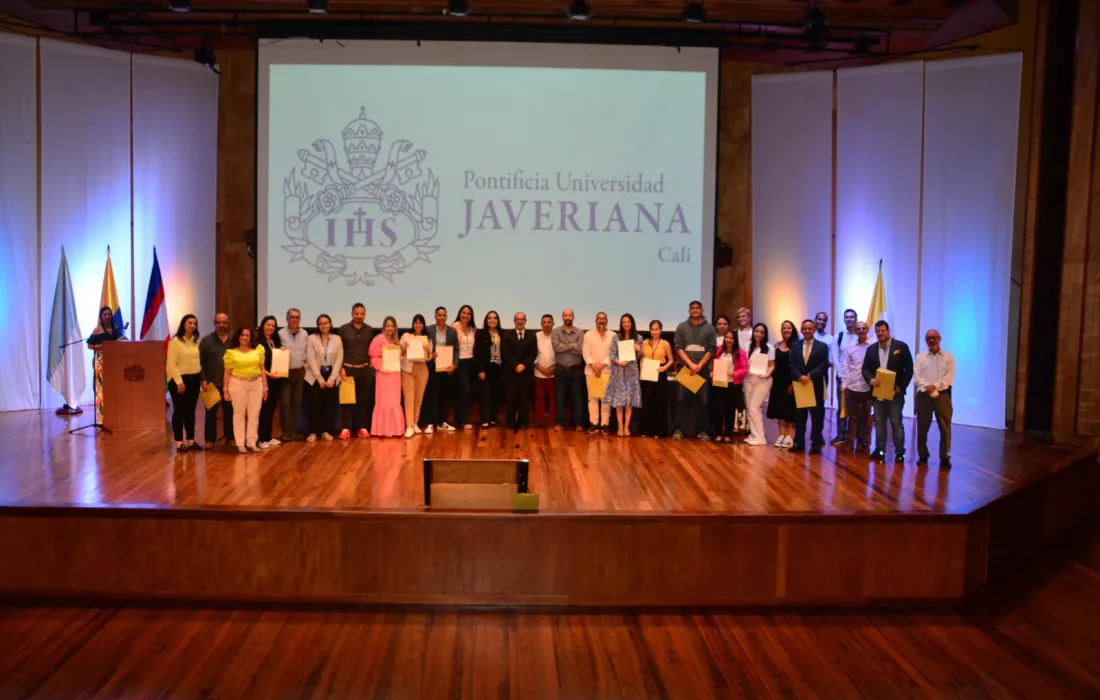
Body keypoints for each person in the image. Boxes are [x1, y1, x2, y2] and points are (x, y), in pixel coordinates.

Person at [862, 320, 914, 463]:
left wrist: (901, 387)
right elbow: (865, 369)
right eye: (877, 331)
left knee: (896, 422)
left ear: (888, 331)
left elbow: (909, 369)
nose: (880, 333)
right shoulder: (871, 349)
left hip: (895, 392)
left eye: (882, 330)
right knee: (879, 422)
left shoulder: (901, 347)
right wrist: (870, 379)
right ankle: (879, 450)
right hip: (878, 391)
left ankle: (899, 453)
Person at [673, 300, 717, 440]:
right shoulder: (681, 327)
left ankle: (703, 430)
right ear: (689, 311)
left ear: (702, 310)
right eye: (692, 308)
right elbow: (678, 347)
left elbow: (711, 349)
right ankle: (678, 429)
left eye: (698, 308)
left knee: (703, 401)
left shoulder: (709, 328)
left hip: (702, 371)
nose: (695, 310)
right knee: (681, 400)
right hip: (685, 370)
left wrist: (699, 365)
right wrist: (691, 364)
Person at [222, 326, 267, 454]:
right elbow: (227, 373)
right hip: (238, 384)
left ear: (251, 337)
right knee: (239, 414)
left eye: (247, 335)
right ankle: (240, 443)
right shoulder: (231, 353)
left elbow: (262, 369)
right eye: (242, 335)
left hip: (256, 384)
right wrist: (225, 390)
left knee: (254, 414)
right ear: (237, 337)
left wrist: (265, 387)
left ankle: (252, 442)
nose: (245, 337)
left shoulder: (258, 349)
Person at [914, 329, 955, 468]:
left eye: (934, 337)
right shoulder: (920, 357)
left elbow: (949, 378)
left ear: (940, 338)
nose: (932, 340)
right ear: (926, 340)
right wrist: (927, 388)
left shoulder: (949, 357)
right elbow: (917, 377)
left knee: (944, 427)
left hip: (942, 396)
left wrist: (935, 387)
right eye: (928, 338)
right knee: (922, 427)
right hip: (923, 396)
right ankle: (923, 455)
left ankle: (944, 457)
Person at [789, 319, 829, 455]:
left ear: (814, 330)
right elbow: (791, 364)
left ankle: (816, 444)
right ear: (801, 330)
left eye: (810, 329)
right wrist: (800, 376)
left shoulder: (822, 346)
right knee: (799, 416)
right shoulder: (795, 346)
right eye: (805, 328)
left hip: (815, 385)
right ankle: (799, 442)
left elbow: (824, 365)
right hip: (800, 385)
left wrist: (810, 375)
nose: (807, 331)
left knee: (817, 417)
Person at [166, 314, 202, 453]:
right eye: (189, 323)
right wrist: (179, 382)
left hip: (194, 380)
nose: (192, 326)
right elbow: (171, 364)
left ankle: (191, 441)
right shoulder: (175, 341)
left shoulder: (194, 341)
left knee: (191, 411)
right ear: (183, 324)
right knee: (179, 411)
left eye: (194, 323)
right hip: (179, 381)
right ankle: (179, 441)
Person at [338, 303, 373, 440]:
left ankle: (362, 427)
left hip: (364, 370)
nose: (359, 316)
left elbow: (372, 350)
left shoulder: (370, 330)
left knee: (363, 401)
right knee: (348, 400)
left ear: (365, 314)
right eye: (356, 313)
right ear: (352, 313)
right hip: (348, 369)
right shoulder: (343, 329)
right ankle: (346, 428)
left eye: (362, 314)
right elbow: (339, 350)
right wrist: (341, 367)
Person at [305, 313, 342, 442]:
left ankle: (326, 431)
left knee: (328, 405)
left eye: (326, 323)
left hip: (331, 375)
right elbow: (310, 358)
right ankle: (313, 432)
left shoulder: (337, 339)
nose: (324, 326)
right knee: (314, 404)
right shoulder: (311, 338)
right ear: (318, 326)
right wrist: (319, 378)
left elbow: (339, 359)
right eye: (321, 324)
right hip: (314, 375)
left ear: (330, 324)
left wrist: (332, 378)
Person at [605, 313, 643, 437]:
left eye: (628, 322)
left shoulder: (639, 338)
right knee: (619, 401)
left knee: (629, 401)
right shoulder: (617, 337)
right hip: (619, 372)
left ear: (632, 323)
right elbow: (612, 355)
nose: (626, 324)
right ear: (621, 324)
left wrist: (639, 350)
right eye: (624, 322)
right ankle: (620, 427)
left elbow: (641, 356)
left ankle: (627, 427)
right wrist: (618, 362)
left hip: (632, 372)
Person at [199, 312, 233, 448]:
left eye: (224, 322)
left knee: (229, 411)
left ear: (228, 323)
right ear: (214, 324)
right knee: (210, 413)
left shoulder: (234, 340)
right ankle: (209, 440)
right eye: (218, 322)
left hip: (231, 383)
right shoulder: (206, 341)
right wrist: (203, 380)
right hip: (211, 383)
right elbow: (200, 362)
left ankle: (230, 437)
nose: (221, 325)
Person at [422, 306, 458, 434]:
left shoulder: (453, 332)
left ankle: (442, 422)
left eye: (444, 315)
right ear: (435, 316)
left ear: (446, 316)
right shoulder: (428, 330)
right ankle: (431, 423)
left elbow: (456, 350)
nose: (441, 318)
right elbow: (424, 348)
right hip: (432, 367)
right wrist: (430, 354)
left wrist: (455, 364)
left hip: (447, 368)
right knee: (432, 395)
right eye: (439, 315)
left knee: (444, 396)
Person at [88, 305, 125, 426]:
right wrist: (100, 346)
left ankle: (114, 416)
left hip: (113, 360)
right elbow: (89, 346)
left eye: (109, 314)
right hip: (100, 360)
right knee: (100, 388)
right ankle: (100, 419)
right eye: (105, 314)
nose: (107, 316)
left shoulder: (115, 329)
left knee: (113, 388)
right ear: (101, 316)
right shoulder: (97, 330)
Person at [841, 321, 874, 454]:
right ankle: (850, 443)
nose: (861, 331)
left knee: (867, 417)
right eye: (858, 329)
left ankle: (864, 444)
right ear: (855, 331)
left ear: (867, 330)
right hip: (852, 386)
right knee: (852, 417)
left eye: (863, 328)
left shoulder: (873, 346)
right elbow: (845, 365)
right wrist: (844, 384)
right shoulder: (850, 346)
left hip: (868, 386)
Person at [369, 316, 405, 437]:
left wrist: (399, 358)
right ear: (384, 327)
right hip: (383, 374)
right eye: (388, 325)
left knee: (394, 401)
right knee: (384, 401)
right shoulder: (379, 338)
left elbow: (399, 357)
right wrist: (380, 366)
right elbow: (372, 355)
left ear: (395, 328)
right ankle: (383, 430)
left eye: (392, 326)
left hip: (395, 375)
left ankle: (395, 429)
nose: (390, 328)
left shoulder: (396, 342)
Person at [551, 308, 586, 431]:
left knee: (577, 398)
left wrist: (565, 346)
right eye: (565, 315)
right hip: (560, 370)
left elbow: (580, 350)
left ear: (573, 317)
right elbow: (556, 348)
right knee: (559, 398)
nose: (568, 318)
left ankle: (579, 424)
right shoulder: (555, 332)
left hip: (575, 370)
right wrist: (572, 345)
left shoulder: (580, 332)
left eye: (570, 315)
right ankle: (559, 423)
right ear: (562, 317)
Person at [502, 312, 538, 430]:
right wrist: (515, 365)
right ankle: (510, 422)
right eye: (518, 319)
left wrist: (523, 364)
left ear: (525, 321)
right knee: (510, 398)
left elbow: (533, 353)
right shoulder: (507, 335)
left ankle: (523, 422)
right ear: (514, 321)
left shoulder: (532, 335)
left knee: (524, 398)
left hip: (525, 372)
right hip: (511, 371)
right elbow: (505, 352)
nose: (520, 321)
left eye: (522, 319)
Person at [639, 320, 675, 438]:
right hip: (647, 373)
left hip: (660, 372)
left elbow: (671, 360)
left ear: (661, 330)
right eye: (652, 329)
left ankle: (658, 431)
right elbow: (642, 358)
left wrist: (664, 368)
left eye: (656, 329)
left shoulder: (665, 344)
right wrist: (641, 372)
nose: (654, 332)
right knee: (647, 402)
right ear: (649, 330)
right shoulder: (644, 342)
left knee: (659, 402)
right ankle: (645, 430)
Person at [278, 308, 309, 441]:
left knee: (297, 402)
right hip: (285, 372)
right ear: (287, 319)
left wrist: (306, 364)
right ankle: (286, 432)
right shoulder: (280, 334)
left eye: (297, 317)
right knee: (285, 403)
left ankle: (295, 431)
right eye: (292, 317)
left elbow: (308, 351)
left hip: (300, 371)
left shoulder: (305, 334)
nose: (294, 320)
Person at [831, 309, 860, 446]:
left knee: (856, 409)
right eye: (846, 317)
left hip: (859, 379)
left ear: (856, 318)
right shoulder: (839, 337)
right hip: (842, 378)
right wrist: (841, 375)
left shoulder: (861, 336)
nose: (849, 319)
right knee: (842, 407)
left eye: (852, 317)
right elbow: (835, 358)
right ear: (844, 319)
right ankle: (841, 434)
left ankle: (854, 437)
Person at [400, 314, 433, 438]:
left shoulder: (427, 338)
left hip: (422, 368)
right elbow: (400, 351)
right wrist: (404, 348)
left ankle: (415, 423)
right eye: (416, 322)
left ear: (423, 325)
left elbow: (429, 357)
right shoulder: (406, 336)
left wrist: (427, 350)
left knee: (418, 398)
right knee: (409, 398)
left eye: (420, 323)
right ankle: (409, 426)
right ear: (413, 324)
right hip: (408, 369)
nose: (418, 325)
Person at [743, 323, 775, 446]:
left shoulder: (769, 348)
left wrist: (767, 375)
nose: (758, 334)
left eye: (762, 332)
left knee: (754, 407)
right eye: (757, 331)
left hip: (763, 380)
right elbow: (744, 363)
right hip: (748, 379)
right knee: (749, 407)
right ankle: (753, 434)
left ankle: (760, 437)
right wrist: (746, 370)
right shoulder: (748, 346)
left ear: (765, 334)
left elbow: (772, 365)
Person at [712, 331, 747, 443]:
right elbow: (714, 365)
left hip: (733, 385)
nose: (728, 340)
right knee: (718, 409)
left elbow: (745, 369)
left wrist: (734, 373)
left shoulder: (740, 352)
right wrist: (712, 372)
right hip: (719, 383)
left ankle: (728, 434)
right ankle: (718, 433)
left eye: (731, 338)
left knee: (730, 410)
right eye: (727, 337)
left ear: (735, 340)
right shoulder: (719, 350)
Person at [766, 320, 797, 447]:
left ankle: (790, 436)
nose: (786, 330)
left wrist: (794, 383)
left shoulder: (797, 345)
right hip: (778, 381)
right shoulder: (777, 345)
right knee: (780, 408)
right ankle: (781, 434)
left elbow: (798, 366)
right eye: (784, 328)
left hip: (791, 382)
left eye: (789, 328)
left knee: (790, 409)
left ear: (793, 329)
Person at [582, 311, 614, 434]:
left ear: (606, 321)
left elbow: (613, 353)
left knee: (605, 399)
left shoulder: (612, 335)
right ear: (595, 321)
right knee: (593, 398)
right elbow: (585, 351)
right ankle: (594, 423)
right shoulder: (588, 334)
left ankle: (605, 423)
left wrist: (602, 364)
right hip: (591, 371)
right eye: (599, 318)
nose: (601, 320)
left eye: (603, 318)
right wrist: (593, 365)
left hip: (606, 370)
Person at [256, 315, 284, 449]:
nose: (270, 327)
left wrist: (282, 350)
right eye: (268, 325)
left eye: (273, 325)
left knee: (272, 408)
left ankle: (268, 436)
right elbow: (258, 364)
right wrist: (268, 374)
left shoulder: (275, 340)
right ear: (262, 326)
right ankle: (261, 438)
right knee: (264, 409)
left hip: (276, 380)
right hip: (263, 380)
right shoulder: (257, 342)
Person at [476, 310, 505, 428]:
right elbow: (477, 353)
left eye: (495, 318)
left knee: (495, 394)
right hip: (485, 367)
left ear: (498, 321)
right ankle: (484, 419)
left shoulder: (503, 333)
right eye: (489, 318)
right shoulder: (481, 334)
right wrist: (480, 370)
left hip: (498, 367)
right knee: (485, 394)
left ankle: (493, 418)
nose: (492, 320)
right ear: (486, 320)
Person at [452, 305, 477, 429]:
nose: (466, 315)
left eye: (468, 313)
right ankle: (464, 420)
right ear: (459, 313)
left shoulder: (473, 329)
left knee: (464, 392)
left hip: (470, 363)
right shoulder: (454, 327)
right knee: (465, 390)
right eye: (463, 312)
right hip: (459, 362)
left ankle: (457, 419)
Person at [533, 314, 557, 428]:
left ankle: (553, 420)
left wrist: (554, 368)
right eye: (544, 322)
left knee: (553, 398)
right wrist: (540, 368)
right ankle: (539, 421)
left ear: (553, 324)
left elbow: (561, 354)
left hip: (554, 372)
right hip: (539, 372)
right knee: (539, 398)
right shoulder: (535, 336)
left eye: (549, 322)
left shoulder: (557, 336)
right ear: (541, 324)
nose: (547, 324)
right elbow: (532, 354)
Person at [734, 307, 754, 434]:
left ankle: (750, 426)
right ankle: (737, 424)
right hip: (738, 368)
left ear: (749, 318)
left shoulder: (754, 332)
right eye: (739, 317)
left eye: (744, 316)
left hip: (751, 368)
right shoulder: (735, 333)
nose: (741, 319)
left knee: (750, 397)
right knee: (738, 396)